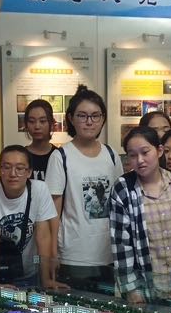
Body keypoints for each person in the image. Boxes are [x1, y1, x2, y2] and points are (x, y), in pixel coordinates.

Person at [109, 126, 171, 305]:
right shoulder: (123, 188)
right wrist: (131, 289)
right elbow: (121, 245)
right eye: (132, 155)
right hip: (147, 278)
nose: (140, 160)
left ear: (159, 151)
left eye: (145, 152)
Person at [47, 86, 121, 290]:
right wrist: (52, 253)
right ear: (71, 118)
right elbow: (53, 211)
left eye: (95, 116)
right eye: (82, 115)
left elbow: (119, 204)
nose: (89, 121)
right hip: (74, 254)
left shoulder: (111, 155)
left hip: (108, 253)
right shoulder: (61, 156)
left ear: (103, 119)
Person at [0, 144, 61, 289]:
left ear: (29, 172)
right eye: (6, 167)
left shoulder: (40, 189)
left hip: (30, 270)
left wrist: (46, 279)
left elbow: (43, 236)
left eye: (20, 168)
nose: (13, 173)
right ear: (0, 170)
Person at [22, 98, 57, 180]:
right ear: (26, 125)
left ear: (51, 123)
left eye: (42, 121)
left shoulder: (58, 156)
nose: (37, 126)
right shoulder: (21, 156)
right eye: (32, 121)